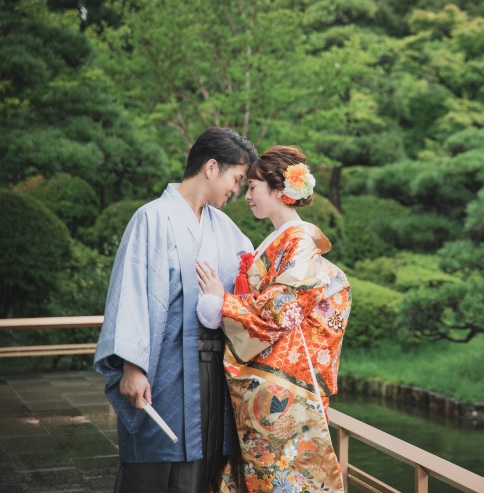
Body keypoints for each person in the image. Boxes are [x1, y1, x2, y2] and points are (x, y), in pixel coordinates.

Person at [94, 127, 258, 493]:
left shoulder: (227, 230)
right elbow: (132, 294)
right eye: (236, 178)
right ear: (211, 167)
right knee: (155, 465)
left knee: (206, 462)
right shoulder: (152, 218)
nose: (236, 189)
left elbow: (252, 286)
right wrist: (133, 368)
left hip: (214, 371)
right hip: (164, 366)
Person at [195, 145, 351, 493]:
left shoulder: (299, 242)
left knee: (282, 474)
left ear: (281, 192)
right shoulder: (280, 240)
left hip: (285, 382)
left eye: (253, 187)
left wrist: (224, 302)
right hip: (270, 377)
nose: (246, 195)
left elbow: (281, 309)